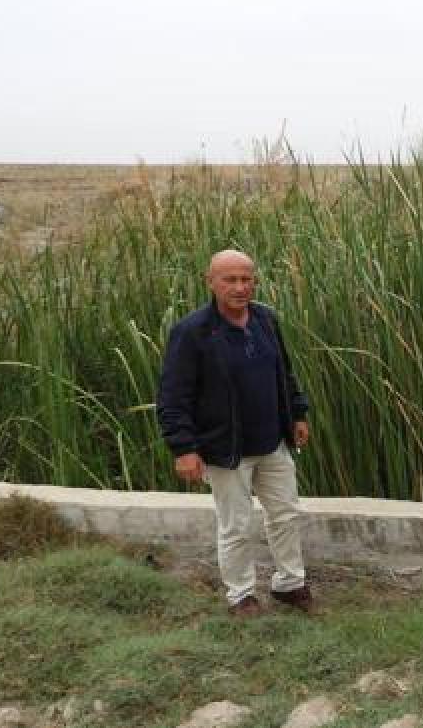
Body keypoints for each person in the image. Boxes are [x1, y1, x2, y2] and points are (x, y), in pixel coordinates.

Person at [157, 249, 313, 617]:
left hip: (273, 442)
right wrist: (184, 448)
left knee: (286, 514)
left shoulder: (265, 320)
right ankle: (240, 595)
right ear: (210, 282)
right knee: (236, 526)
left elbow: (284, 373)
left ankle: (289, 584)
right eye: (230, 279)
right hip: (226, 449)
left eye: (247, 279)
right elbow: (172, 396)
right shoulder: (191, 332)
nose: (240, 287)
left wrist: (297, 413)